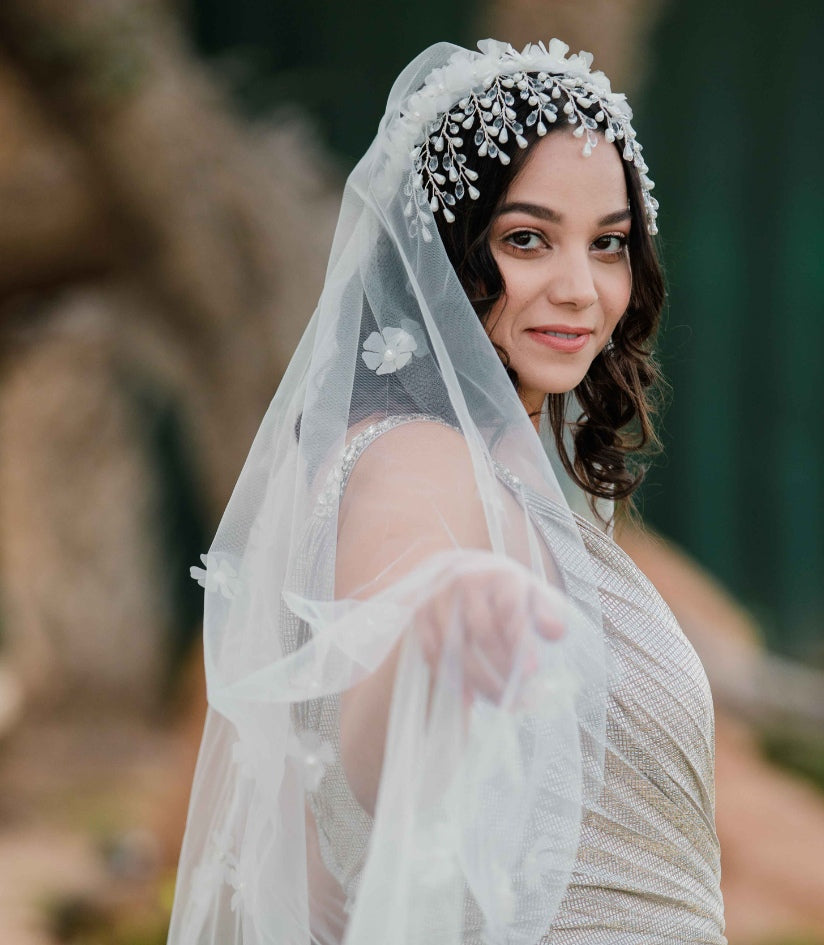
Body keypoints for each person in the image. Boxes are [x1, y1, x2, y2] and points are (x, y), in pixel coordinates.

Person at [168, 39, 726, 945]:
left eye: (609, 244)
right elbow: (370, 720)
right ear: (447, 251)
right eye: (526, 239)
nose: (580, 289)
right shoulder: (414, 457)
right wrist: (433, 628)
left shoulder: (512, 468)